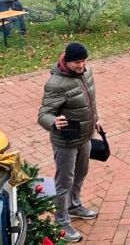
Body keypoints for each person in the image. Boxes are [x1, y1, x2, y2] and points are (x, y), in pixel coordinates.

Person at [37, 43, 101, 242]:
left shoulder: (87, 72)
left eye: (83, 61)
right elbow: (43, 114)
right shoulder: (56, 84)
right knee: (64, 182)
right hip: (65, 141)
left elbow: (90, 100)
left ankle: (74, 206)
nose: (81, 65)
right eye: (76, 62)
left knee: (81, 173)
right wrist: (53, 122)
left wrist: (96, 119)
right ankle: (61, 221)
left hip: (85, 136)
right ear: (66, 61)